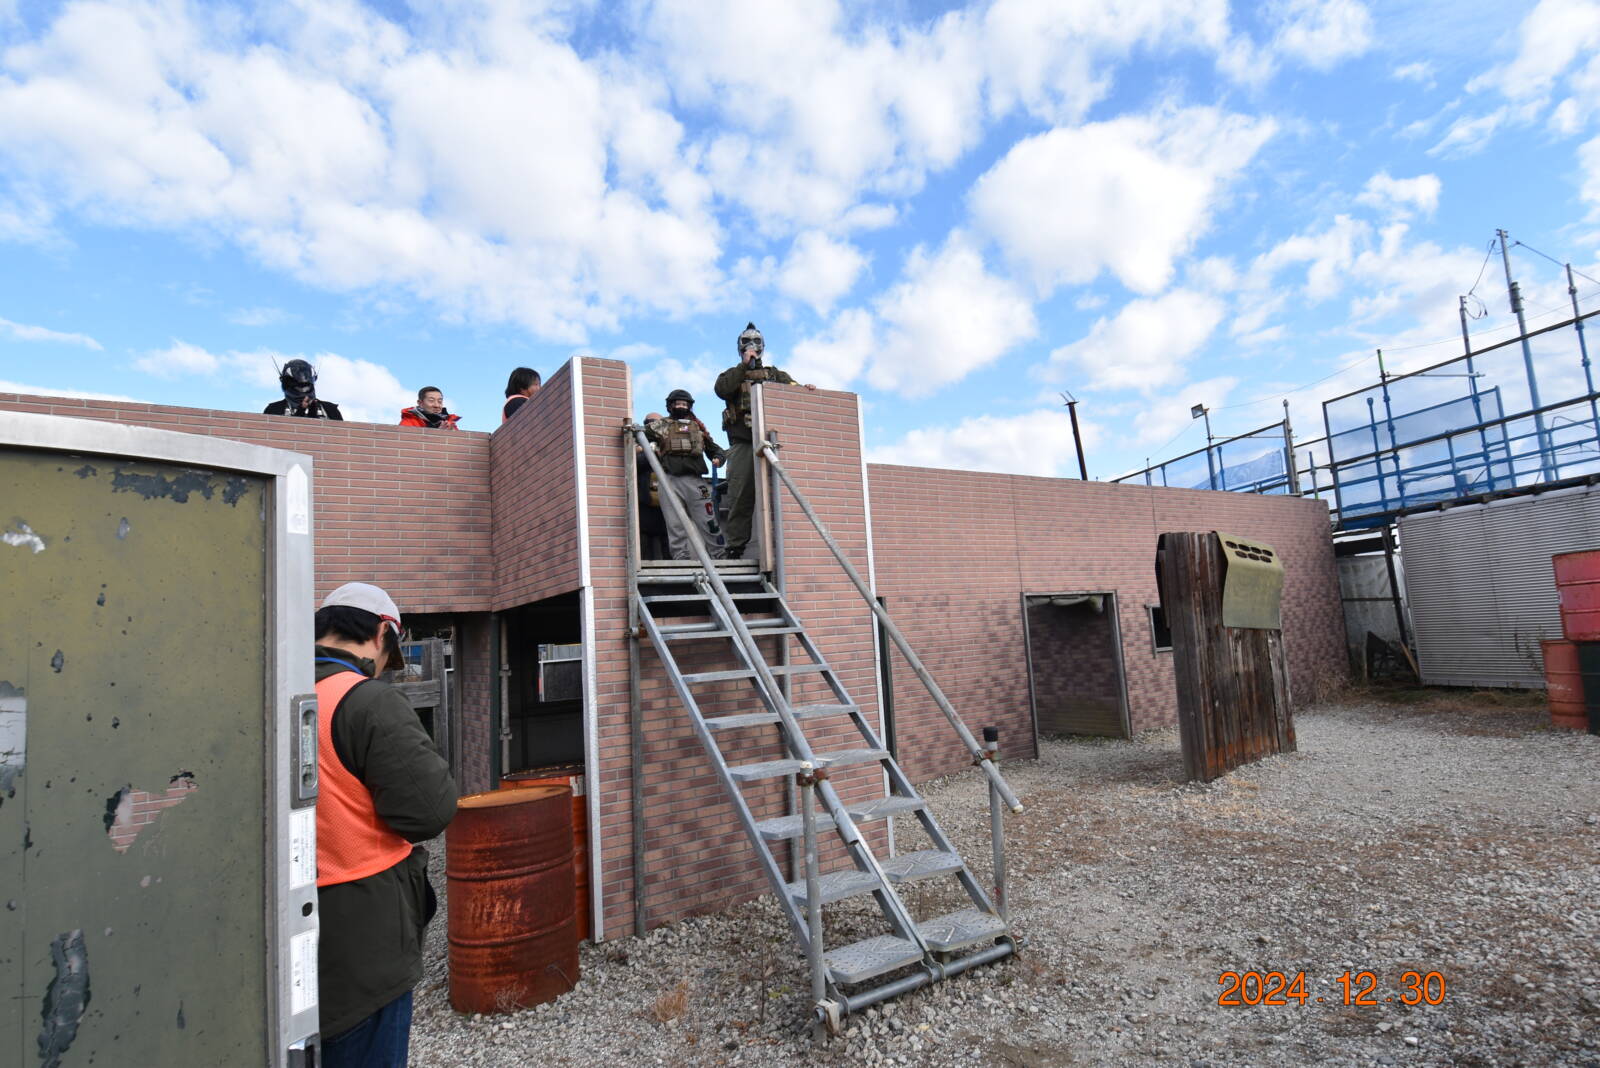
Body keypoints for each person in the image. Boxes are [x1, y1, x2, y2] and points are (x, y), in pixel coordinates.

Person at [313, 582, 456, 1068]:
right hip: (363, 937)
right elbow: (429, 810)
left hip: (290, 921)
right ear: (381, 634)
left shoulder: (275, 691)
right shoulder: (365, 701)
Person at [713, 323, 814, 558]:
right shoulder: (731, 375)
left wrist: (806, 390)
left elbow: (795, 393)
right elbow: (722, 390)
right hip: (743, 444)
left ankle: (788, 547)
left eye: (756, 342)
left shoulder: (775, 375)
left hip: (773, 442)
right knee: (740, 496)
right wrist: (744, 366)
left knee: (783, 493)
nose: (752, 345)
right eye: (747, 342)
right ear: (740, 347)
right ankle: (735, 547)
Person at [644, 391, 727, 560]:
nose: (681, 407)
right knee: (674, 523)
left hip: (696, 481)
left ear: (689, 406)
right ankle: (680, 557)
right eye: (678, 404)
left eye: (684, 404)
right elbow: (641, 434)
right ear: (670, 406)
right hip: (669, 480)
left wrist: (718, 458)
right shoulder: (662, 425)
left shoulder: (697, 428)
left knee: (708, 520)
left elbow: (715, 449)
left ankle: (719, 554)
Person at [635, 411, 670, 560]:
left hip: (666, 500)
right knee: (644, 540)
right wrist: (653, 453)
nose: (652, 425)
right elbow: (635, 463)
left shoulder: (669, 441)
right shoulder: (636, 442)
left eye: (656, 422)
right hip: (645, 499)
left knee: (668, 537)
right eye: (649, 422)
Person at [264, 359, 344, 420]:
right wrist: (300, 413)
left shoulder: (330, 410)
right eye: (298, 387)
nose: (303, 391)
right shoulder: (273, 410)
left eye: (306, 387)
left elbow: (342, 434)